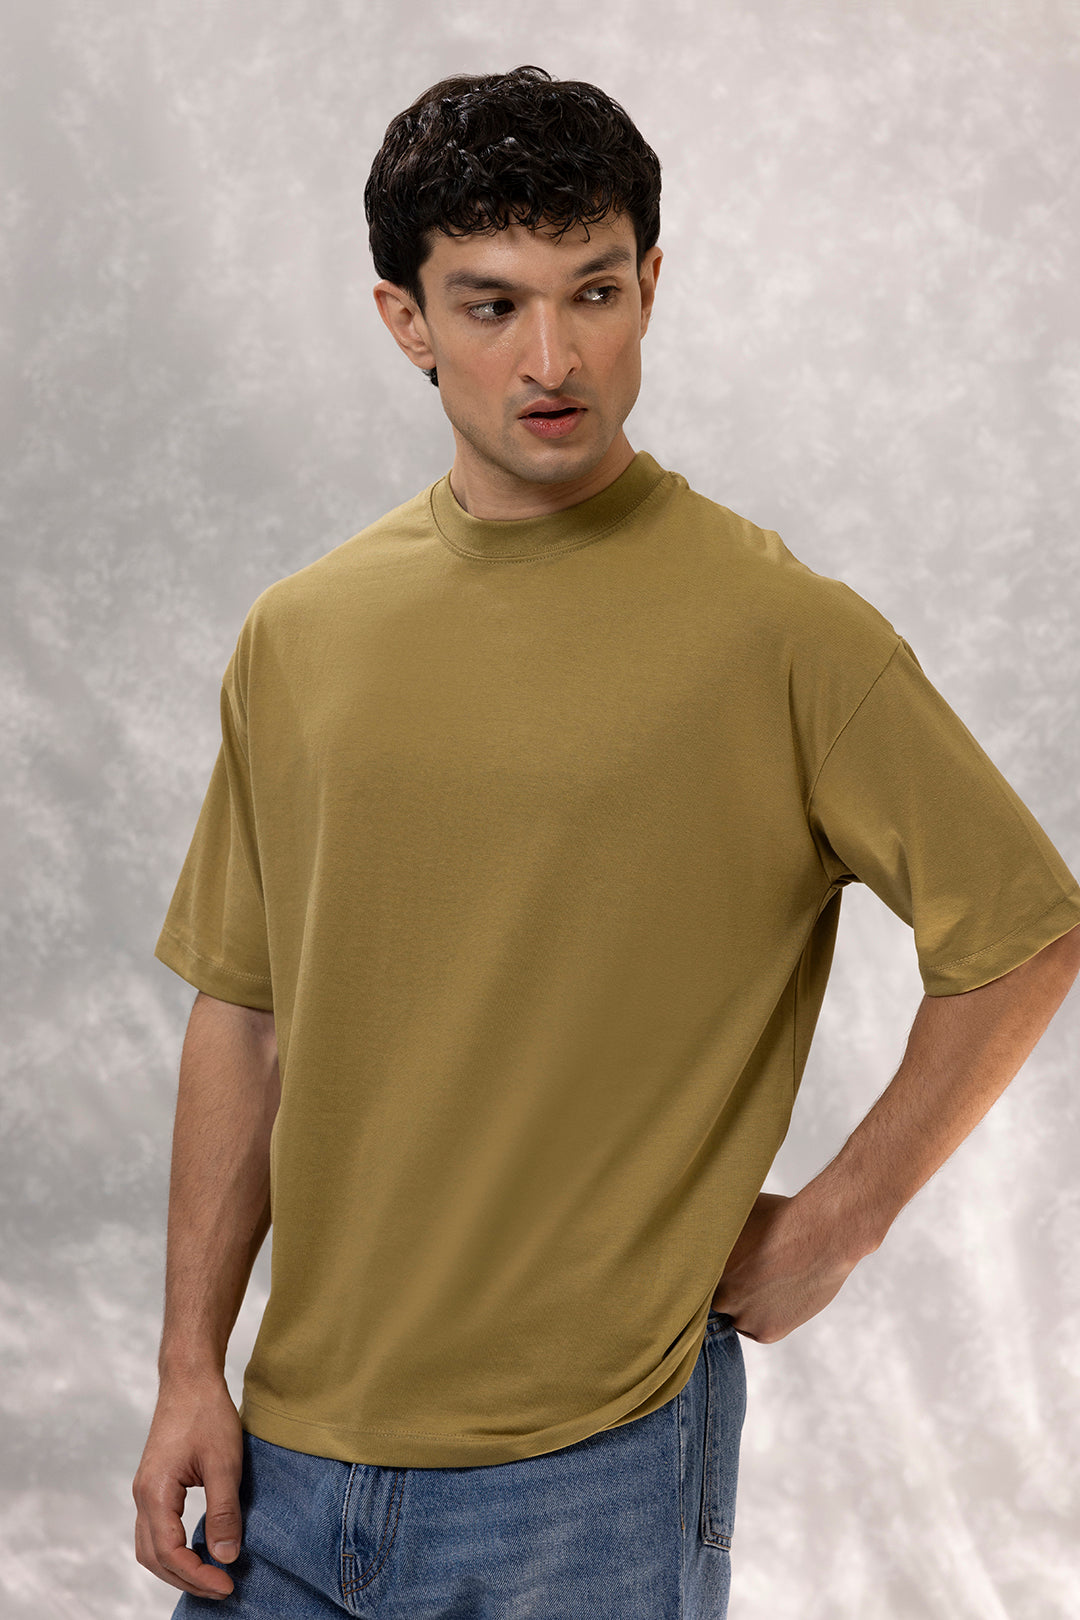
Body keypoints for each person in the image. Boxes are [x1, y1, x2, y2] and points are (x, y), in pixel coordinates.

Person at [131, 64, 1080, 1620]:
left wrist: (840, 1222)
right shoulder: (302, 636)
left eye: (594, 289)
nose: (554, 357)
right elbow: (245, 1017)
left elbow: (1024, 934)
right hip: (291, 1454)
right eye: (492, 304)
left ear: (651, 285)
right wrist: (188, 1366)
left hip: (598, 1467)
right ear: (405, 320)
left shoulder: (783, 635)